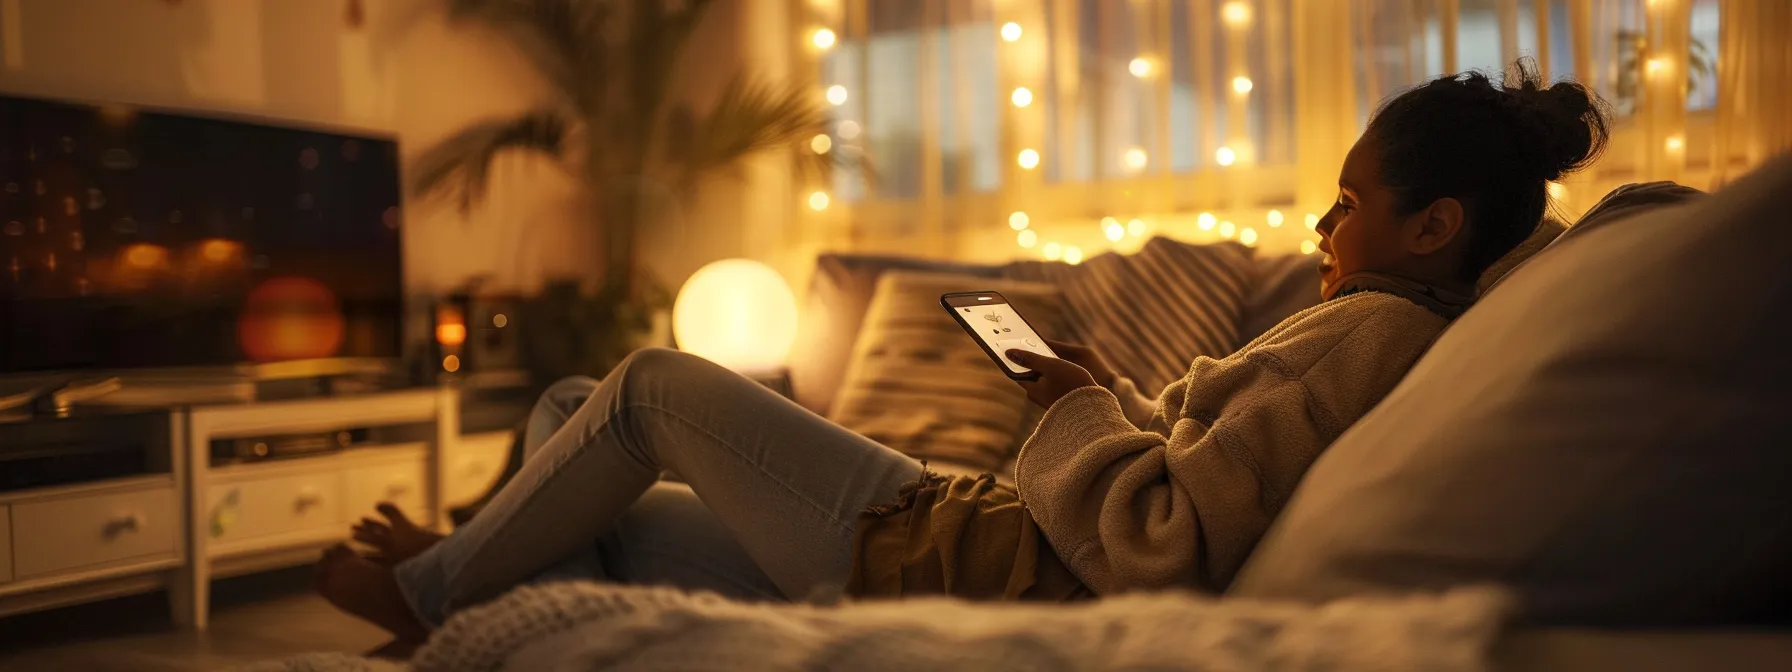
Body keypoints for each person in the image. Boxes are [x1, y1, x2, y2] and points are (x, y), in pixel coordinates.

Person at [316, 61, 1609, 652]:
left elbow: (1157, 540)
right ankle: (488, 608)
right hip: (962, 528)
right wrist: (1096, 397)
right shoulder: (1396, 333)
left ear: (1432, 228)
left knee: (642, 387)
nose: (1322, 230)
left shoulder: (1369, 330)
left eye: (1346, 206)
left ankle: (436, 607)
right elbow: (1190, 472)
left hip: (965, 555)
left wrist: (1082, 405)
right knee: (569, 431)